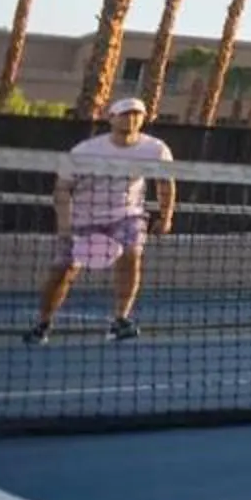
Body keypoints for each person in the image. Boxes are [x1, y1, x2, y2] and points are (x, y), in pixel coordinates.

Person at [31, 96, 173, 344]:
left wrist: (166, 216)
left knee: (131, 254)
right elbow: (62, 188)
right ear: (112, 119)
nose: (132, 118)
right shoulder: (85, 151)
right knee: (64, 270)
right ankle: (42, 323)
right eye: (126, 114)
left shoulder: (155, 149)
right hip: (83, 218)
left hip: (127, 215)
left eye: (137, 114)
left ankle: (121, 319)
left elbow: (166, 183)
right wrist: (64, 225)